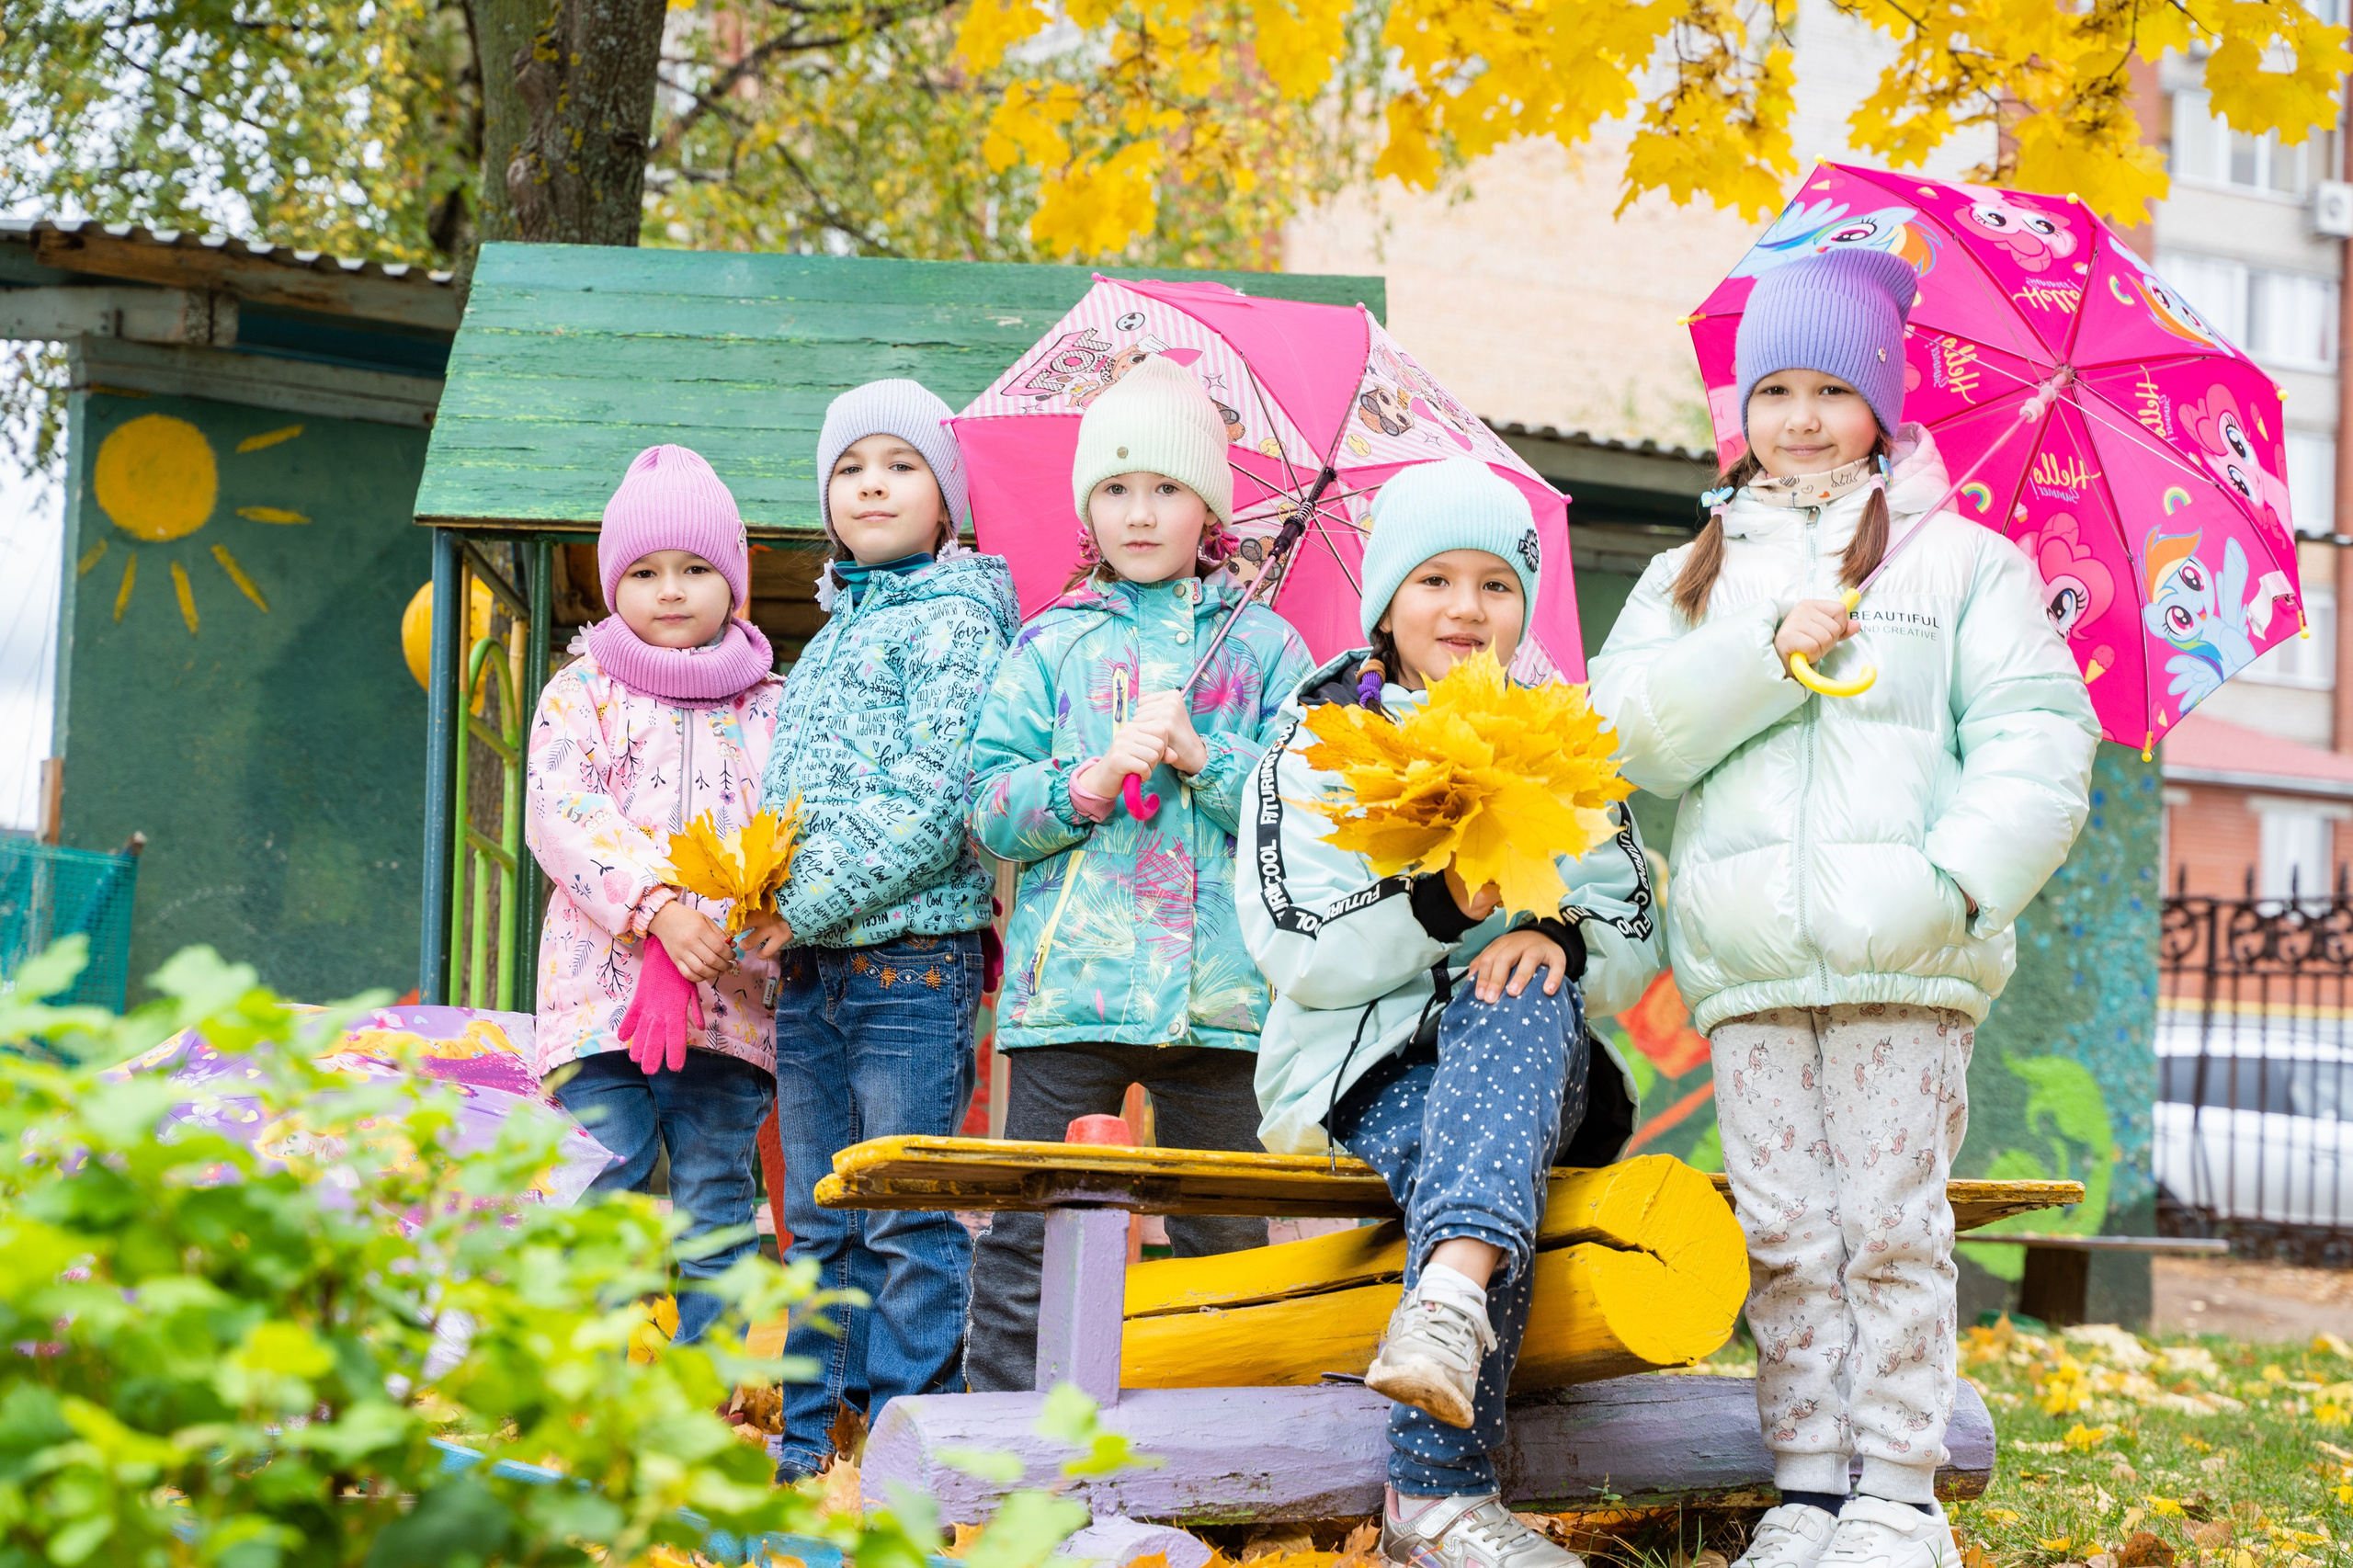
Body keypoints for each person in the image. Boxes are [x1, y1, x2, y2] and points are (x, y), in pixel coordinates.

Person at [1588, 250, 2099, 1568]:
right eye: (1775, 389)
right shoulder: (1693, 577)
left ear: (1882, 401)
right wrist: (1765, 650)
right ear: (1739, 406)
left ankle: (1898, 1489)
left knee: (1889, 1222)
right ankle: (1808, 1482)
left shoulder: (1961, 563)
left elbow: (2040, 737)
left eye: (1832, 387)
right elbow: (1626, 738)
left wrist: (1956, 886)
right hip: (1750, 965)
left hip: (1904, 957)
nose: (1802, 417)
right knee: (1786, 1231)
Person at [1240, 455, 1661, 1568]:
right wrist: (1436, 902)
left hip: (1527, 1054)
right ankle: (1439, 1480)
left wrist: (1554, 930)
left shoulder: (1565, 742)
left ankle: (1440, 1335)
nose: (1465, 608)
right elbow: (1295, 947)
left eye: (1495, 583)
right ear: (1385, 598)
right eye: (1433, 579)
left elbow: (1633, 930)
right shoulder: (1315, 742)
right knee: (1483, 1155)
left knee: (1521, 991)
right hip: (1356, 1070)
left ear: (1525, 602)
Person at [962, 353, 1315, 1393]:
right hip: (1070, 990)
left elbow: (1308, 804)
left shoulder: (1266, 648)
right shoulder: (1051, 643)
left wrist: (1210, 761)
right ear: (1087, 507)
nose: (1139, 512)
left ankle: (1234, 1448)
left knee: (1224, 1238)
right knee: (1033, 1224)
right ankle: (1000, 1436)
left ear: (1207, 502)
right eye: (1114, 488)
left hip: (1224, 1000)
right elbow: (988, 803)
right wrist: (1087, 779)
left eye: (1165, 486)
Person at [737, 380, 1018, 1483]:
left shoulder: (952, 623)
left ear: (944, 500)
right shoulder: (834, 632)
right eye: (851, 467)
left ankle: (910, 1453)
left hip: (909, 966)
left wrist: (796, 903)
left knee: (903, 1214)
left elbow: (933, 796)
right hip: (814, 971)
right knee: (817, 1216)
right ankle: (814, 1450)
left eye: (902, 465)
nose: (871, 483)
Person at [527, 442, 784, 1347]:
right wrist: (659, 909)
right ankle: (584, 1381)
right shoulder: (583, 692)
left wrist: (772, 921)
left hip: (729, 1008)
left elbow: (788, 831)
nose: (669, 589)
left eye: (694, 568)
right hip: (599, 1002)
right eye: (643, 570)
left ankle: (708, 1400)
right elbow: (562, 812)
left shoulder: (769, 708)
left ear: (734, 579)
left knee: (718, 1206)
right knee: (603, 1177)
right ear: (612, 581)